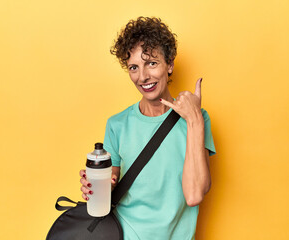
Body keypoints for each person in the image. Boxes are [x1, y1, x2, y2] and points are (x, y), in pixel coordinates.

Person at [79, 16, 216, 239]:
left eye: (151, 63)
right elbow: (110, 182)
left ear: (169, 64)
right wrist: (94, 187)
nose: (143, 77)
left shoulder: (198, 119)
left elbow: (194, 195)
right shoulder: (117, 125)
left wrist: (194, 120)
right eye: (134, 67)